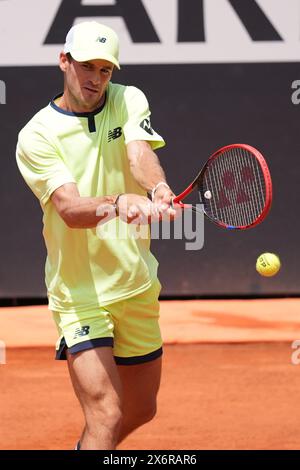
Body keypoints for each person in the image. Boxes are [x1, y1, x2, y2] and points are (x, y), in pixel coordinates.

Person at [16, 21, 176, 450]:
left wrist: (156, 188)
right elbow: (69, 209)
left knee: (142, 409)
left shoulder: (128, 99)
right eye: (86, 66)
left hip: (135, 282)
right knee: (106, 413)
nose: (96, 79)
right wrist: (119, 202)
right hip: (79, 292)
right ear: (64, 61)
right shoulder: (37, 135)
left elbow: (139, 152)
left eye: (105, 70)